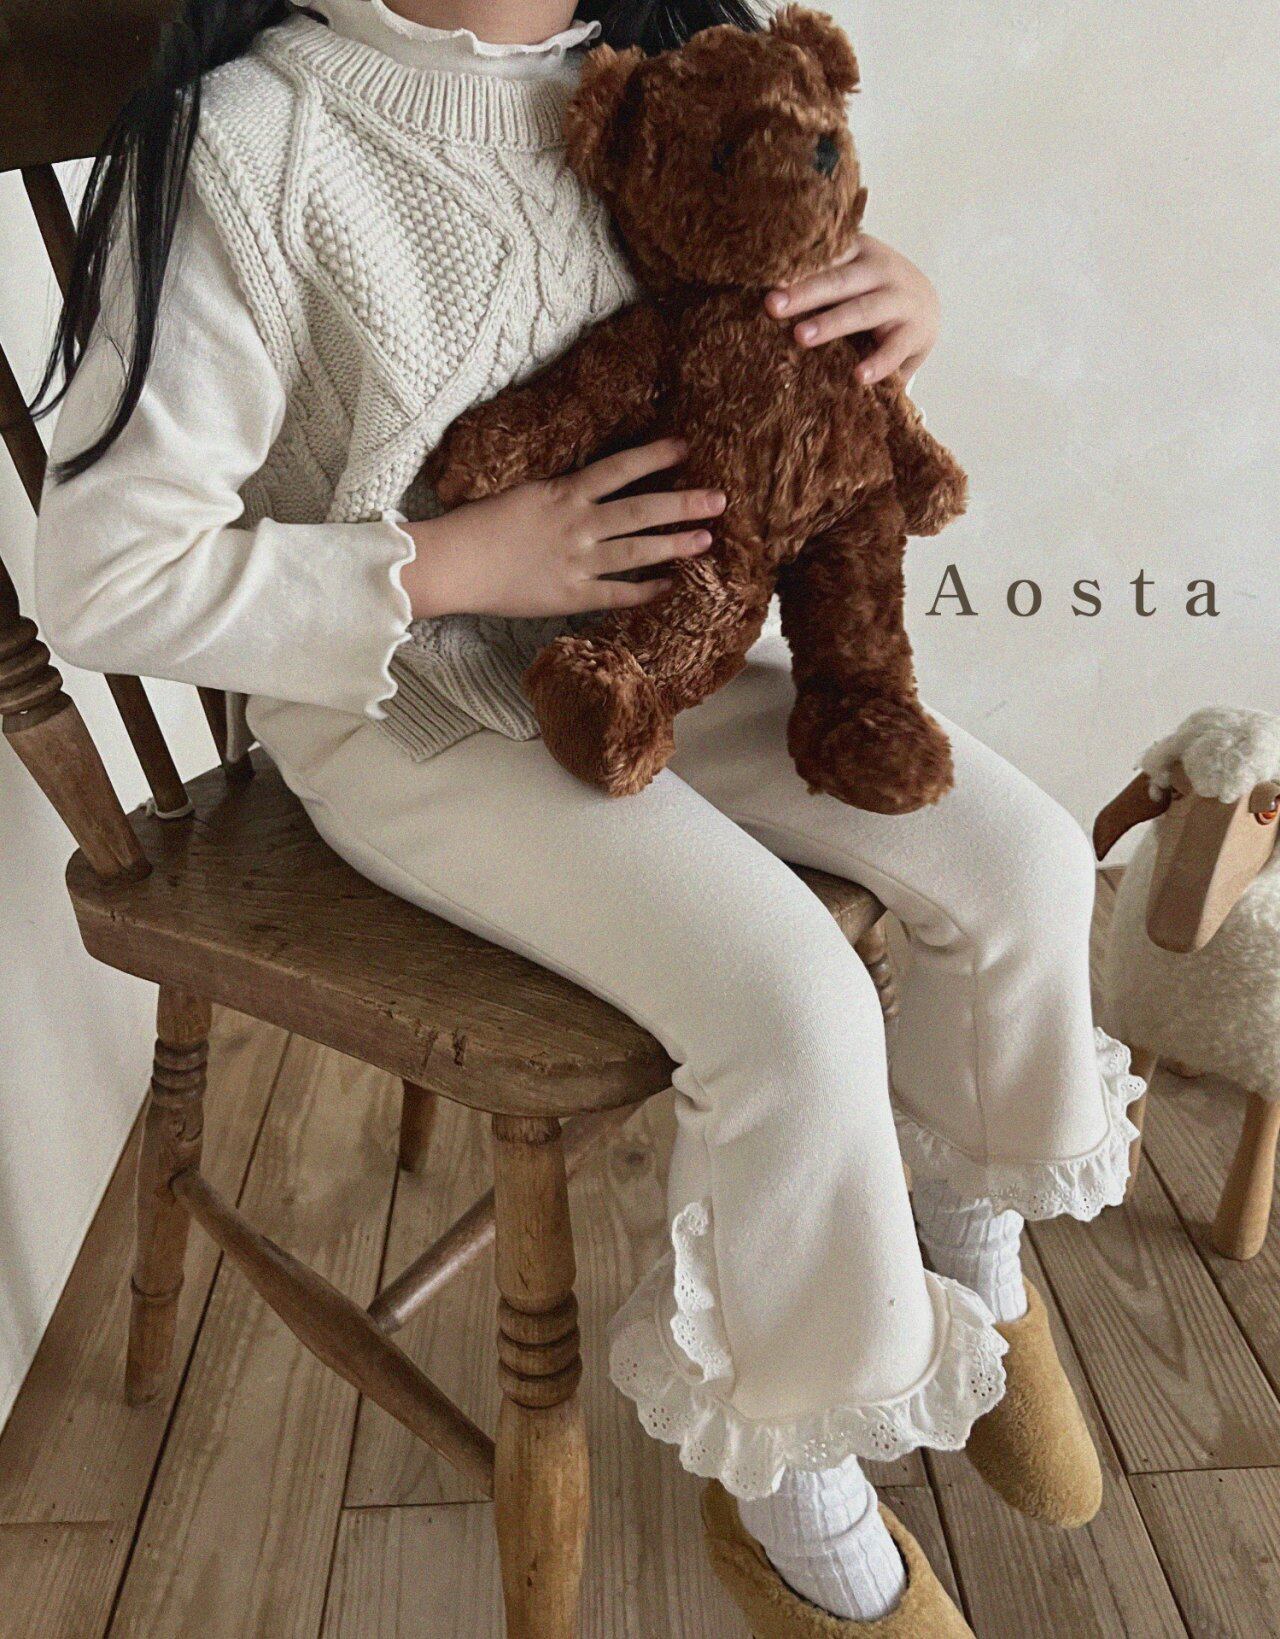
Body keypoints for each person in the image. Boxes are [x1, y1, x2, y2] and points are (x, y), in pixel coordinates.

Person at [33, 2, 1145, 1632]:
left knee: (1028, 860)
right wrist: (458, 562)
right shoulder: (257, 148)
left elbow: (750, 282)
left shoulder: (651, 68)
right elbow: (103, 577)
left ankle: (971, 1259)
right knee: (795, 1008)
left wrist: (897, 298)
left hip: (659, 656)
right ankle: (792, 1491)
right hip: (408, 708)